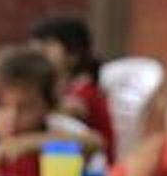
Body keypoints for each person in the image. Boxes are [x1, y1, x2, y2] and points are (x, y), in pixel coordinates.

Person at [0, 46, 101, 176]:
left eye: (25, 107)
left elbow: (95, 143)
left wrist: (27, 144)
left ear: (48, 105)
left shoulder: (55, 145)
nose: (12, 117)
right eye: (1, 105)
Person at [29, 15, 116, 159]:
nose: (38, 52)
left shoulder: (85, 91)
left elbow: (69, 108)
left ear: (73, 53)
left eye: (47, 45)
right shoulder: (65, 88)